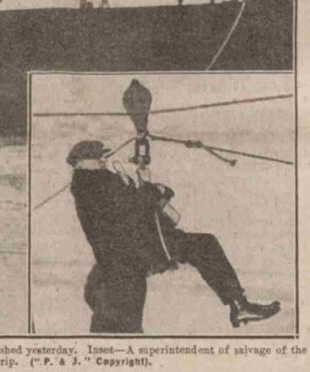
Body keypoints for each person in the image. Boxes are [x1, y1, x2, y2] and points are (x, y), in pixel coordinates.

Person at [67, 140, 280, 333]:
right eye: (99, 158)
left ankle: (239, 305)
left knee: (203, 245)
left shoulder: (95, 181)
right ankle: (239, 305)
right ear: (83, 162)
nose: (104, 160)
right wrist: (154, 193)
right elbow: (131, 205)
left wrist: (153, 191)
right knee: (204, 245)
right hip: (139, 247)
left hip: (137, 247)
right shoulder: (92, 183)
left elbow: (131, 202)